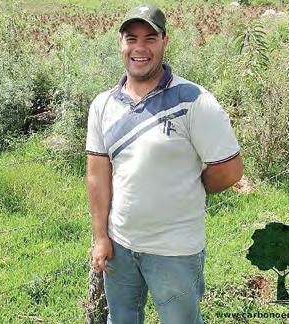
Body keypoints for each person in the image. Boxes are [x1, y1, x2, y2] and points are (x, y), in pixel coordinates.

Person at [86, 4, 243, 324]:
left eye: (150, 38)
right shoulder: (103, 105)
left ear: (164, 42)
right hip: (121, 245)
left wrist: (189, 186)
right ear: (121, 43)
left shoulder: (194, 100)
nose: (140, 48)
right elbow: (98, 174)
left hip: (175, 249)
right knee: (123, 318)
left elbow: (229, 171)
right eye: (131, 38)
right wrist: (101, 236)